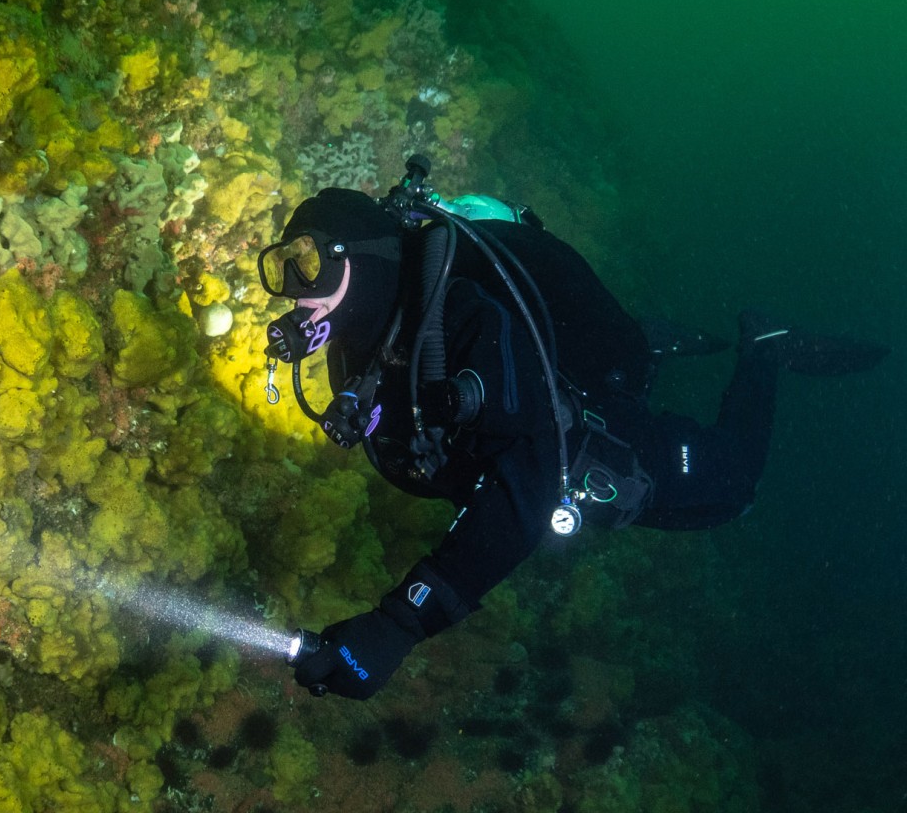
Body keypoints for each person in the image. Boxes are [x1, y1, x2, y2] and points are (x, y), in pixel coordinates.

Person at [262, 158, 889, 700]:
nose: (293, 291)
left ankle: (762, 345)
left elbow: (528, 487)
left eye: (310, 261)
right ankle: (639, 346)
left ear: (366, 263)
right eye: (281, 266)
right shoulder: (367, 341)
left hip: (581, 424)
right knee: (605, 373)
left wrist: (398, 624)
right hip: (543, 381)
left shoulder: (462, 321)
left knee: (729, 489)